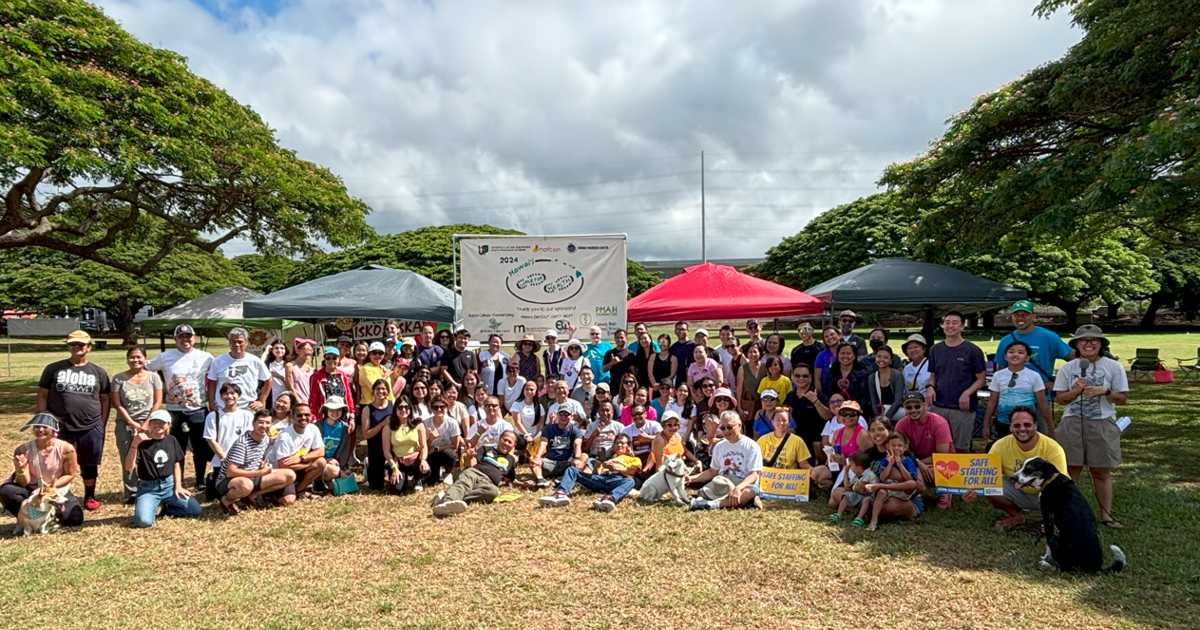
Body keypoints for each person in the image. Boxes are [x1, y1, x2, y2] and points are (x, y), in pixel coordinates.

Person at [1053, 324, 1129, 528]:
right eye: (1083, 340)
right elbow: (1060, 400)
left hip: (1102, 423)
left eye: (1094, 340)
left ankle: (1106, 516)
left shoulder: (1114, 367)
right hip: (1072, 423)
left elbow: (1122, 399)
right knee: (1071, 470)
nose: (1089, 344)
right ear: (1076, 344)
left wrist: (1104, 391)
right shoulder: (1067, 368)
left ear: (1101, 344)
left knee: (1100, 470)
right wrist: (1075, 391)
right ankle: (1069, 514)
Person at [36, 329, 110, 510]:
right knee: (55, 463)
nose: (77, 347)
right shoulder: (53, 369)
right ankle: (54, 496)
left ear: (89, 347)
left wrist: (102, 422)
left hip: (91, 425)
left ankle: (90, 496)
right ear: (68, 347)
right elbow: (43, 394)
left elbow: (105, 399)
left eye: (81, 344)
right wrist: (43, 421)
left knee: (89, 463)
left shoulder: (98, 372)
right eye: (72, 344)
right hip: (60, 426)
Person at [963, 406, 1069, 528]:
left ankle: (1052, 521)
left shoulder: (1053, 448)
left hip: (1049, 495)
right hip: (1018, 491)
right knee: (990, 485)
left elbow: (1061, 484)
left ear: (1035, 425)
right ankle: (1016, 516)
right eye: (1017, 425)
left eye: (1027, 425)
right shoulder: (1000, 445)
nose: (1022, 429)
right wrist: (972, 490)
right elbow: (985, 475)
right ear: (1010, 427)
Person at [147, 324, 215, 490]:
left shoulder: (206, 357)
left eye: (189, 337)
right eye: (181, 337)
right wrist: (160, 386)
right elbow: (145, 369)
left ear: (194, 338)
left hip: (198, 408)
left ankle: (200, 480)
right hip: (174, 410)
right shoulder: (165, 357)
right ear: (175, 339)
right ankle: (179, 480)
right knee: (178, 447)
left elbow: (217, 375)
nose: (186, 340)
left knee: (200, 447)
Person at [2, 413, 84, 532]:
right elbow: (23, 483)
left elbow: (70, 474)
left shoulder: (67, 449)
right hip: (31, 490)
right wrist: (21, 469)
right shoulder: (22, 450)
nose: (40, 430)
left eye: (45, 427)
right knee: (7, 491)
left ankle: (47, 519)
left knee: (74, 519)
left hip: (55, 489)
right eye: (37, 427)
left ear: (53, 430)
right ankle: (23, 519)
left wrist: (51, 487)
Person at [126, 410, 202, 527]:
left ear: (168, 425)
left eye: (162, 422)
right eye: (154, 422)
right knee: (144, 522)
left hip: (169, 485)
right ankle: (149, 507)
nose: (157, 425)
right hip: (148, 488)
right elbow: (129, 467)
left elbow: (177, 464)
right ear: (150, 424)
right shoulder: (142, 443)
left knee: (195, 510)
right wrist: (134, 444)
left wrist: (178, 486)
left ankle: (168, 508)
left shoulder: (172, 440)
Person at [431, 430, 534, 517]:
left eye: (510, 442)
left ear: (513, 446)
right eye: (504, 440)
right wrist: (469, 457)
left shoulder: (511, 460)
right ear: (499, 439)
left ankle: (452, 498)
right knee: (464, 484)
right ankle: (446, 503)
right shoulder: (486, 448)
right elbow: (471, 465)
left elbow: (511, 479)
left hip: (488, 482)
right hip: (474, 472)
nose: (506, 443)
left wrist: (523, 484)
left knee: (492, 492)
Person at [926, 312, 986, 451]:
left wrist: (967, 392)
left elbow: (981, 379)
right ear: (942, 325)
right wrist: (930, 386)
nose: (950, 326)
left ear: (962, 326)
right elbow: (933, 374)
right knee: (939, 447)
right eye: (947, 322)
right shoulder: (935, 349)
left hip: (962, 409)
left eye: (954, 322)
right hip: (939, 406)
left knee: (960, 448)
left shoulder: (973, 350)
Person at [215, 411, 295, 515]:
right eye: (260, 422)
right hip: (229, 480)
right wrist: (261, 473)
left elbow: (271, 442)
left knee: (290, 475)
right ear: (253, 423)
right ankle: (227, 500)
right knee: (245, 485)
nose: (264, 426)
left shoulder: (264, 439)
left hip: (252, 475)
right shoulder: (242, 443)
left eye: (268, 423)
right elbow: (230, 472)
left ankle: (253, 495)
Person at [111, 346, 163, 504]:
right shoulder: (119, 379)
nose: (136, 360)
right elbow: (117, 403)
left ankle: (152, 489)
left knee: (151, 457)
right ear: (127, 359)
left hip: (150, 424)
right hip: (126, 424)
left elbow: (158, 401)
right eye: (132, 357)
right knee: (128, 457)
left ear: (145, 359)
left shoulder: (153, 377)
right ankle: (131, 492)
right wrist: (131, 422)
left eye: (139, 357)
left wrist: (147, 422)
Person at [538, 433, 642, 512]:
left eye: (623, 443)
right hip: (602, 479)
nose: (620, 445)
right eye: (617, 442)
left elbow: (632, 471)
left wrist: (615, 468)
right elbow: (597, 475)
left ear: (628, 446)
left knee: (630, 481)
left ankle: (610, 499)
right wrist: (597, 466)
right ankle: (561, 494)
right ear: (614, 446)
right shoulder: (608, 459)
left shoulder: (635, 459)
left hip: (618, 480)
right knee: (572, 470)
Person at [687, 411, 763, 510]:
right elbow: (712, 472)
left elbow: (753, 475)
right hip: (723, 482)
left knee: (749, 492)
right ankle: (737, 502)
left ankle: (712, 504)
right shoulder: (719, 446)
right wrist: (690, 478)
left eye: (730, 427)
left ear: (739, 426)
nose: (726, 431)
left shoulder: (751, 446)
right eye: (722, 428)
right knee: (701, 492)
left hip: (743, 482)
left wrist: (738, 488)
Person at [994, 300, 1075, 391]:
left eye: (1025, 315)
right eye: (1016, 315)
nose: (1020, 318)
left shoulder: (1049, 337)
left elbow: (1074, 359)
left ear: (1033, 317)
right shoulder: (1006, 341)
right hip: (1014, 394)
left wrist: (1058, 383)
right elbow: (1001, 371)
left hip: (1042, 394)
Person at [894, 392, 954, 510]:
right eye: (909, 407)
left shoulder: (939, 423)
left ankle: (945, 491)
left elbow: (942, 455)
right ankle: (914, 492)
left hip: (941, 461)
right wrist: (917, 463)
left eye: (917, 406)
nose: (913, 410)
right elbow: (898, 449)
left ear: (925, 405)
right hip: (917, 460)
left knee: (937, 469)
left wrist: (917, 463)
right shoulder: (901, 424)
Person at [983, 340, 1055, 439]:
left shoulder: (1034, 376)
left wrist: (1050, 427)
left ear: (1027, 358)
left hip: (1026, 423)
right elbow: (992, 401)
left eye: (1020, 352)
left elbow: (1043, 403)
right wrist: (986, 425)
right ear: (1005, 356)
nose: (1015, 355)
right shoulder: (998, 375)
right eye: (1011, 352)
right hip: (1004, 421)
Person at [269, 402, 329, 503]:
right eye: (299, 415)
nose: (303, 418)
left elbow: (321, 451)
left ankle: (299, 490)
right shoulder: (284, 436)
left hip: (296, 466)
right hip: (280, 472)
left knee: (321, 462)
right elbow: (283, 465)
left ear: (311, 416)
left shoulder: (313, 429)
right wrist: (309, 463)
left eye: (307, 415)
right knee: (288, 501)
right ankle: (270, 494)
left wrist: (301, 459)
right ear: (292, 417)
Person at [863, 431, 922, 531]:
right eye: (893, 445)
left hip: (902, 490)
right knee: (881, 492)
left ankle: (880, 487)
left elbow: (909, 479)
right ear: (887, 446)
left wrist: (900, 464)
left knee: (912, 483)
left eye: (899, 445)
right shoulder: (885, 460)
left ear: (905, 447)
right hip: (889, 488)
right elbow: (882, 477)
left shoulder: (908, 460)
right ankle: (874, 521)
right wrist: (890, 464)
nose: (896, 448)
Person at [206, 328, 271, 412]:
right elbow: (212, 383)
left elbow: (268, 380)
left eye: (240, 342)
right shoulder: (218, 361)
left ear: (246, 342)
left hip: (247, 408)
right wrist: (211, 404)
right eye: (233, 341)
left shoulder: (255, 361)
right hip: (223, 407)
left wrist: (261, 401)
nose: (236, 345)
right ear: (229, 343)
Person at [783, 364, 831, 465]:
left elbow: (828, 416)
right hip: (797, 438)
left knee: (817, 446)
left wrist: (815, 401)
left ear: (810, 378)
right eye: (797, 376)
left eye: (804, 376)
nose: (801, 378)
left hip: (815, 438)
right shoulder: (790, 396)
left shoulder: (818, 394)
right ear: (792, 377)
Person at [383, 396, 429, 493]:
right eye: (400, 407)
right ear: (395, 409)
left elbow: (424, 446)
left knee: (427, 471)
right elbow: (386, 451)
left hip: (414, 460)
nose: (403, 410)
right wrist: (394, 468)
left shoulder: (418, 425)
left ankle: (417, 479)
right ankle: (398, 477)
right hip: (398, 461)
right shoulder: (388, 428)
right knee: (397, 490)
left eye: (407, 407)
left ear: (411, 409)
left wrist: (423, 460)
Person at [531, 408, 586, 487]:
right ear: (557, 415)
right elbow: (543, 443)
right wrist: (537, 457)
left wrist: (577, 459)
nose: (563, 416)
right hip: (550, 462)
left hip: (567, 462)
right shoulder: (548, 429)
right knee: (532, 459)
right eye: (561, 414)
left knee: (584, 457)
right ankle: (540, 479)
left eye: (566, 414)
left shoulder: (576, 431)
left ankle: (563, 478)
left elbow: (577, 444)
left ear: (571, 416)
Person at [829, 450, 878, 526]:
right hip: (858, 496)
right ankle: (839, 514)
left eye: (851, 465)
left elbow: (875, 488)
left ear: (859, 467)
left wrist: (865, 488)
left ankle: (859, 518)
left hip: (869, 497)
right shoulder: (857, 475)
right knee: (846, 495)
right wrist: (846, 472)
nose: (850, 467)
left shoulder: (870, 475)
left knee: (866, 500)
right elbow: (847, 486)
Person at [424, 396, 463, 486]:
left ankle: (448, 472)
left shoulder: (452, 423)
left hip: (445, 452)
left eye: (442, 407)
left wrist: (437, 448)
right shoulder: (426, 423)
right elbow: (424, 446)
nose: (439, 409)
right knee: (431, 482)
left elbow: (455, 446)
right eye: (435, 407)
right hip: (430, 454)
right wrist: (431, 439)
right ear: (431, 408)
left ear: (447, 407)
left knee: (451, 454)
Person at [361, 381, 393, 490]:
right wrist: (382, 424)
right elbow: (366, 435)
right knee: (376, 486)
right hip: (375, 447)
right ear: (373, 392)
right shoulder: (367, 409)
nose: (381, 391)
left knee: (395, 484)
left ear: (388, 391)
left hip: (392, 446)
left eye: (384, 389)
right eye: (378, 389)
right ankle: (369, 465)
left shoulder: (393, 405)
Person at [821, 343, 870, 411]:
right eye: (842, 353)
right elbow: (828, 394)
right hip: (836, 410)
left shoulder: (862, 372)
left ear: (854, 355)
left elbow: (865, 395)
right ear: (837, 355)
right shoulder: (831, 372)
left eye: (849, 353)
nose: (845, 356)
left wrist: (858, 410)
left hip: (857, 411)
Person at [309, 346, 354, 419]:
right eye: (328, 358)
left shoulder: (342, 375)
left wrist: (351, 414)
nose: (331, 360)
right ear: (324, 359)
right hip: (325, 415)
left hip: (342, 414)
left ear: (338, 359)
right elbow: (313, 399)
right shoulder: (316, 376)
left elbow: (348, 395)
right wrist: (313, 417)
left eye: (334, 358)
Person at [867, 346, 904, 420]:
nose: (881, 359)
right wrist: (877, 417)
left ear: (890, 360)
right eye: (879, 356)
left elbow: (898, 400)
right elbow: (873, 400)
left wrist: (886, 418)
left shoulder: (897, 375)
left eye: (885, 357)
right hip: (879, 414)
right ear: (875, 358)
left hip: (895, 414)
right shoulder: (872, 377)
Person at [357, 342, 394, 414]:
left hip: (386, 405)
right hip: (370, 406)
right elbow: (374, 387)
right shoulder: (366, 368)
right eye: (374, 353)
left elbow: (389, 389)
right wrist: (386, 375)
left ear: (383, 355)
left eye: (380, 353)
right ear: (369, 355)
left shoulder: (383, 368)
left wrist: (393, 403)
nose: (377, 355)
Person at [736, 342, 765, 424]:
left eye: (755, 351)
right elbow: (739, 388)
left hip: (763, 403)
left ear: (760, 353)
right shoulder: (742, 369)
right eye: (750, 352)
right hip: (748, 403)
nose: (753, 354)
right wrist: (739, 406)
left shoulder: (765, 367)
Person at [285, 338, 315, 406]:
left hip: (310, 402)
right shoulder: (290, 366)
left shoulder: (311, 369)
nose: (309, 352)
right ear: (297, 350)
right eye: (306, 349)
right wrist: (299, 401)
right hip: (297, 402)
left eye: (310, 350)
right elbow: (290, 386)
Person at [265, 340, 290, 404]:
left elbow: (290, 384)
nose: (279, 350)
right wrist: (266, 351)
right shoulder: (269, 364)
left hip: (287, 396)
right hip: (272, 397)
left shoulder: (289, 364)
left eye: (282, 348)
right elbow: (259, 364)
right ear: (272, 350)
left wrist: (279, 376)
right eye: (276, 348)